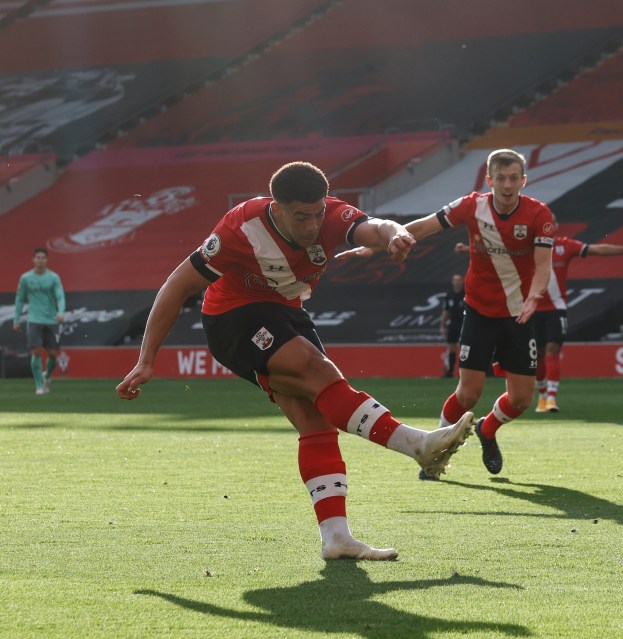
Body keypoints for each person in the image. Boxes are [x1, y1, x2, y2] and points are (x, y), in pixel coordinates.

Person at [116, 161, 474, 561]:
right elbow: (177, 285)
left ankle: (336, 538)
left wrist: (395, 233)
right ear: (278, 206)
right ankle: (416, 444)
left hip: (287, 313)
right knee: (320, 374)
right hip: (233, 317)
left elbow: (373, 227)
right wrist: (146, 359)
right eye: (301, 216)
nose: (311, 225)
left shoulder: (330, 216)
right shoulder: (241, 227)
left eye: (317, 213)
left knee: (315, 419)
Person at [404, 149, 554, 478]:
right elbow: (426, 226)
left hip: (519, 315)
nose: (507, 184)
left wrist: (534, 297)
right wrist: (385, 238)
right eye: (500, 178)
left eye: (514, 178)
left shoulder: (539, 215)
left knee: (520, 400)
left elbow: (544, 266)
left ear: (523, 181)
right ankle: (434, 452)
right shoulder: (471, 205)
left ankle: (487, 430)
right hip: (479, 312)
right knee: (468, 393)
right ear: (489, 180)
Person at [533, 233, 623, 413]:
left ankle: (551, 398)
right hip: (531, 308)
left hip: (556, 309)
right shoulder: (525, 247)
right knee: (538, 355)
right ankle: (541, 395)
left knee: (553, 349)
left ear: (555, 227)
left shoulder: (564, 246)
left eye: (552, 224)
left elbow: (597, 249)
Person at [13, 248, 66, 395]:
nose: (40, 260)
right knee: (36, 352)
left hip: (51, 319)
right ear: (33, 260)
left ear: (47, 260)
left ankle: (47, 375)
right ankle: (39, 386)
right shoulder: (25, 278)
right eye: (38, 257)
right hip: (34, 319)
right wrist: (16, 319)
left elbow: (60, 296)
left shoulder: (54, 277)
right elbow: (20, 299)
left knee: (53, 355)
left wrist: (61, 312)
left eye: (43, 257)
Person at [439, 273, 465, 377]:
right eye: (455, 280)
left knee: (465, 349)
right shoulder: (449, 295)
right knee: (452, 348)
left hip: (464, 324)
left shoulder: (466, 294)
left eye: (459, 280)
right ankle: (450, 372)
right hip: (453, 324)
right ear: (452, 282)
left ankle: (464, 372)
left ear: (462, 282)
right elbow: (445, 311)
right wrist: (442, 325)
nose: (457, 282)